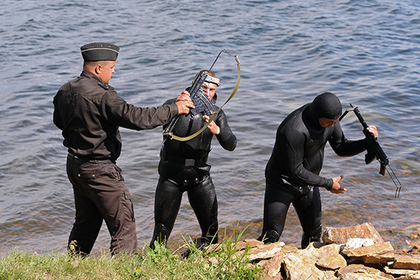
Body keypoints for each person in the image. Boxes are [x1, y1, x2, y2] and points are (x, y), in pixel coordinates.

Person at [53, 42, 194, 255]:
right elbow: (138, 118)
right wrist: (175, 109)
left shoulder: (65, 90)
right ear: (99, 69)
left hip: (75, 166)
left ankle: (72, 266)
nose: (114, 71)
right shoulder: (103, 95)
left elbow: (58, 121)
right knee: (124, 225)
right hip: (99, 170)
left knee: (86, 223)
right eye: (112, 67)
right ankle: (124, 272)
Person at [257, 92, 378, 248]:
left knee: (313, 233)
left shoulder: (330, 120)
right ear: (317, 115)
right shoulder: (293, 130)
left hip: (308, 183)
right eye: (329, 122)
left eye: (335, 122)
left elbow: (341, 147)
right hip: (282, 183)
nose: (333, 126)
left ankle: (307, 266)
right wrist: (328, 184)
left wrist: (367, 143)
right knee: (271, 234)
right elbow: (296, 171)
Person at [149, 70, 237, 250]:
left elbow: (231, 144)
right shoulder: (174, 105)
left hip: (200, 176)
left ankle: (197, 256)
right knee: (161, 232)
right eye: (204, 87)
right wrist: (176, 104)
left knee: (211, 232)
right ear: (193, 84)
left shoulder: (216, 114)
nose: (207, 93)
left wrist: (217, 131)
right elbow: (150, 120)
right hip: (171, 177)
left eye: (212, 89)